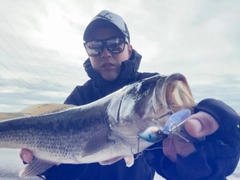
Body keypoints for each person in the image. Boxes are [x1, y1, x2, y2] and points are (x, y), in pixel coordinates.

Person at [20, 10, 240, 180]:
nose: (106, 53)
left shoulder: (149, 98)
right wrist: (44, 162)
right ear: (88, 52)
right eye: (95, 46)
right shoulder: (80, 97)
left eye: (115, 44)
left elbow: (170, 156)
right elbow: (64, 174)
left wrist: (214, 146)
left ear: (129, 48)